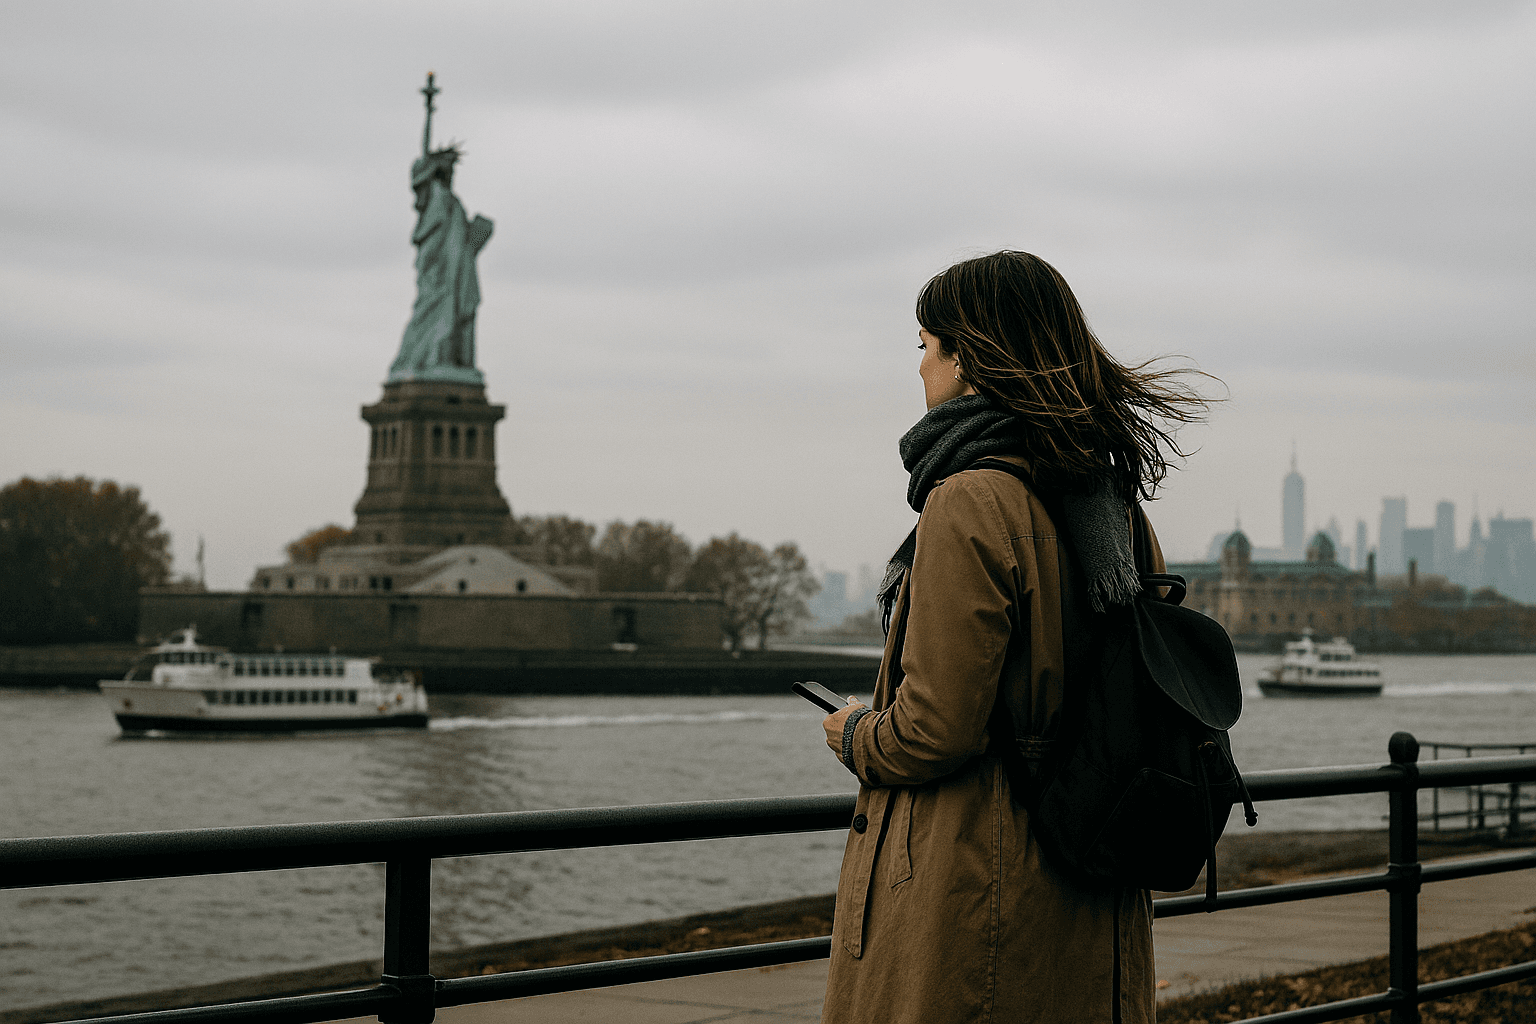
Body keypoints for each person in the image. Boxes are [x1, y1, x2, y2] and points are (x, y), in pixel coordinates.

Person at [818, 251, 1209, 1024]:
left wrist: (856, 733)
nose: (921, 368)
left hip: (977, 880)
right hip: (1094, 870)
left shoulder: (967, 501)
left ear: (967, 357)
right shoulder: (1116, 508)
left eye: (925, 346)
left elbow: (935, 729)